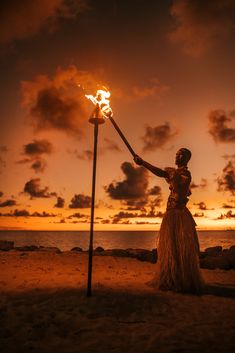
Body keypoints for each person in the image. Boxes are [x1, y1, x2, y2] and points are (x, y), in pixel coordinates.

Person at [134, 148, 204, 293]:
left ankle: (182, 278)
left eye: (181, 155)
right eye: (176, 154)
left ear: (186, 158)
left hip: (179, 214)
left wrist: (171, 175)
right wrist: (143, 163)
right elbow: (160, 172)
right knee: (171, 247)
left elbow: (176, 182)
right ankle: (173, 276)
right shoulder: (174, 173)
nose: (177, 156)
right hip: (170, 213)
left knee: (180, 247)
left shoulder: (185, 174)